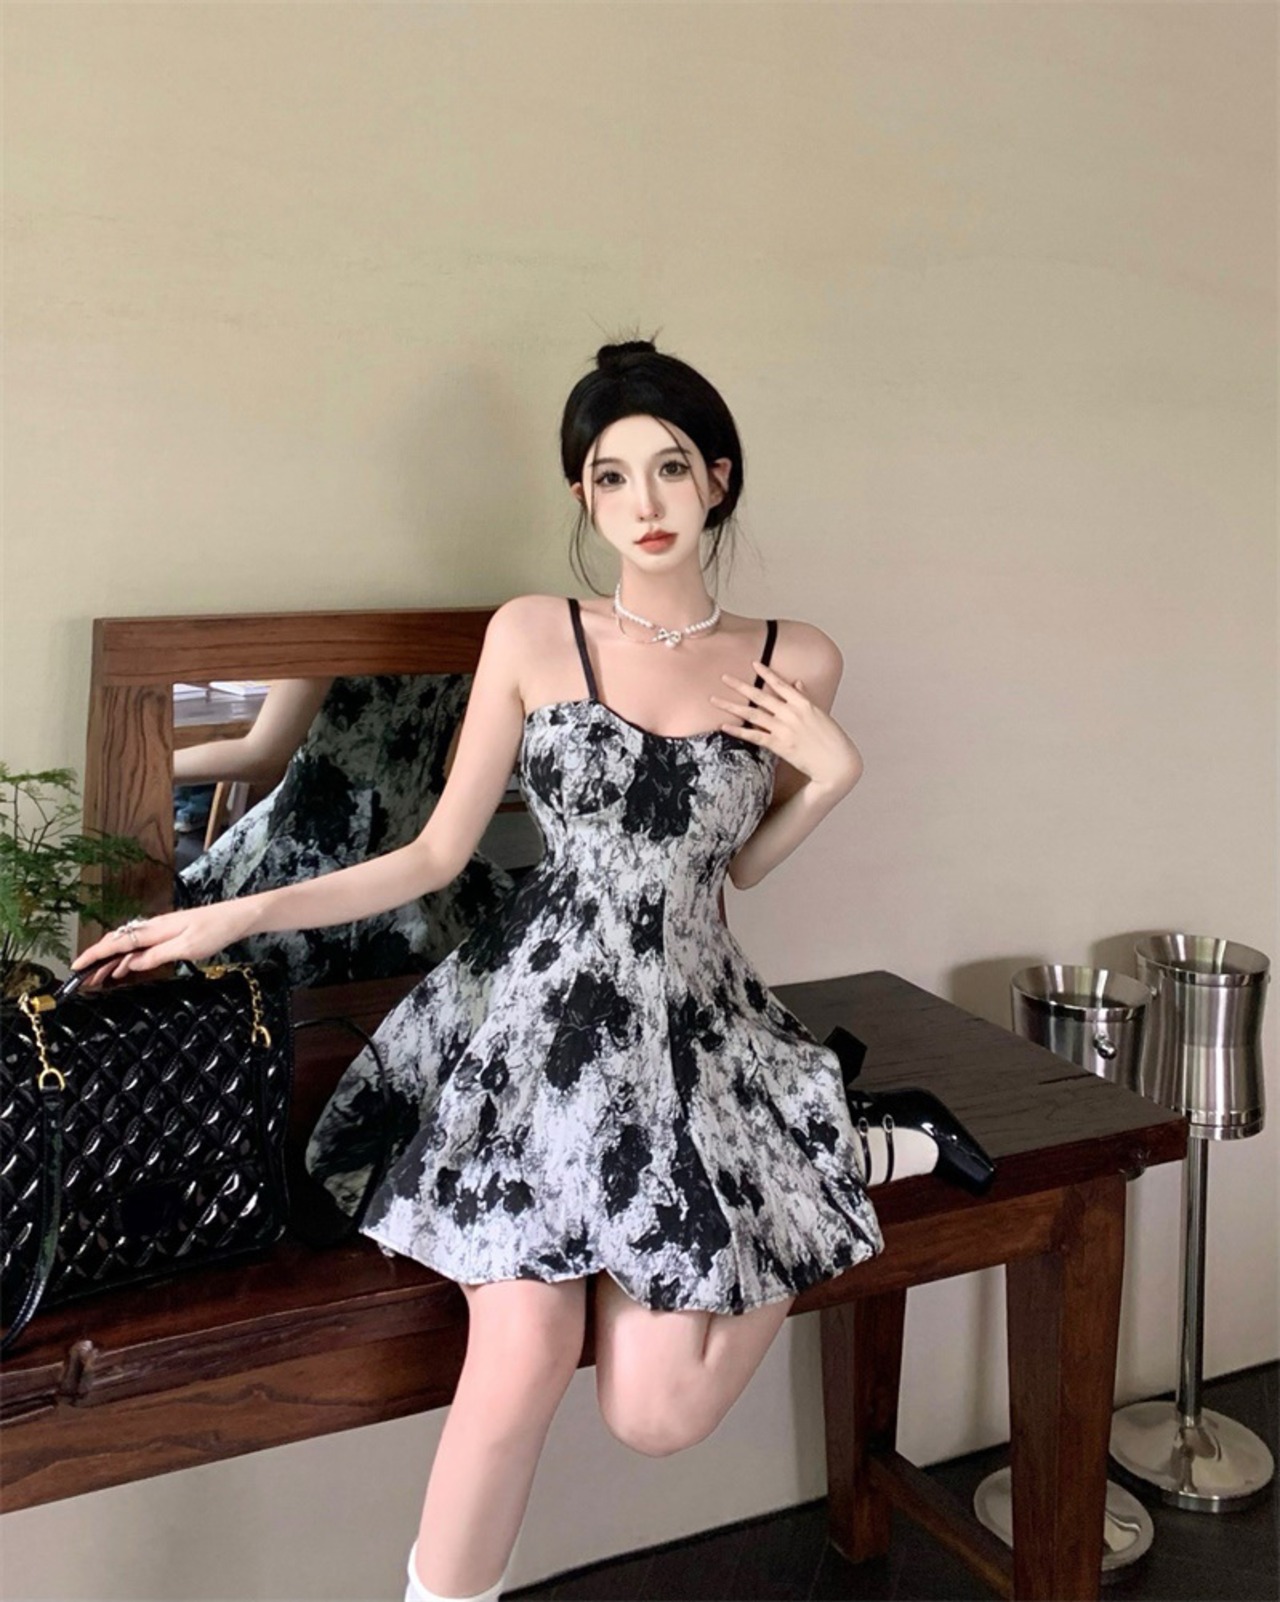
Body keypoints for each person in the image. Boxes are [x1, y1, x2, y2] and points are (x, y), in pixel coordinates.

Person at [75, 340, 991, 1602]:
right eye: (611, 476)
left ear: (718, 478)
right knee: (519, 1347)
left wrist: (831, 777)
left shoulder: (798, 657)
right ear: (582, 496)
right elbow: (432, 855)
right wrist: (226, 918)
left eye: (669, 468)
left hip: (691, 1028)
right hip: (537, 1024)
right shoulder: (532, 633)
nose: (644, 502)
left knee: (656, 1415)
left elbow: (735, 871)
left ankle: (835, 1153)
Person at [173, 674, 516, 987]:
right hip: (418, 853)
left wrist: (157, 767)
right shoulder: (474, 627)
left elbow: (261, 755)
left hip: (308, 851)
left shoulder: (333, 627)